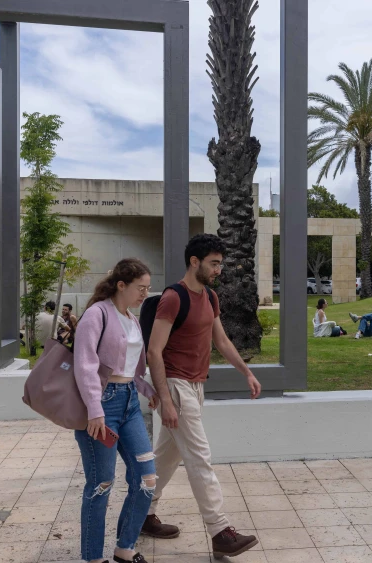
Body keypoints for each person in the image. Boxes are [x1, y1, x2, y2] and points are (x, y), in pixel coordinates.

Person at [143, 233, 262, 559]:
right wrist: (166, 400)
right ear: (194, 261)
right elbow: (154, 352)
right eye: (214, 263)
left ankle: (142, 512)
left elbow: (221, 342)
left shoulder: (210, 297)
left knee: (166, 457)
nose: (219, 269)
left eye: (220, 263)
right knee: (199, 458)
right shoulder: (173, 298)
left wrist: (247, 372)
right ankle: (220, 531)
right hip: (177, 387)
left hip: (196, 387)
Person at [73, 259, 160, 563]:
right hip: (102, 406)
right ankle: (93, 557)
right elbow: (84, 365)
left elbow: (129, 366)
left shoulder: (131, 318)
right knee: (101, 483)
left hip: (130, 405)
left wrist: (148, 389)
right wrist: (94, 410)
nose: (144, 294)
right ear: (121, 285)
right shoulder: (96, 315)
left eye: (148, 289)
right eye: (141, 288)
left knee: (147, 479)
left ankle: (125, 548)